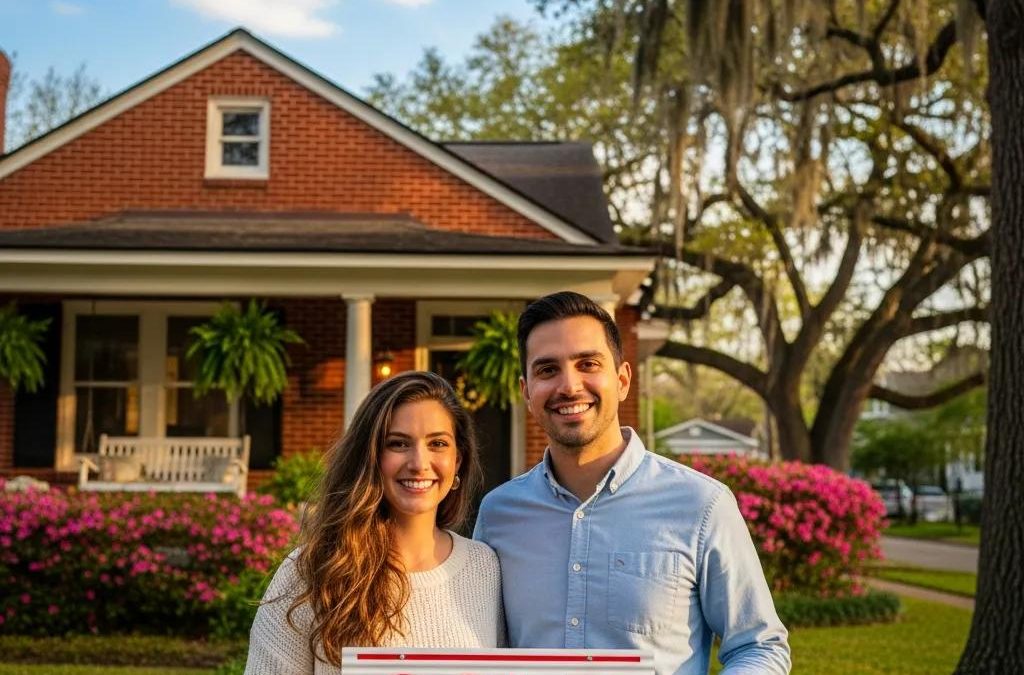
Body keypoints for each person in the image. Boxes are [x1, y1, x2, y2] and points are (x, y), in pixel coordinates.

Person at [474, 291, 791, 674]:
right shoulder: (499, 514)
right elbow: (480, 648)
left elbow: (760, 646)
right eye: (547, 370)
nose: (569, 386)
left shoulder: (701, 505)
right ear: (527, 391)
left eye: (587, 363)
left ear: (622, 380)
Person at [246, 371, 503, 674]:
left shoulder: (485, 567)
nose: (419, 463)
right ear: (370, 458)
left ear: (458, 460)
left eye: (437, 444)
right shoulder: (312, 570)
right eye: (397, 444)